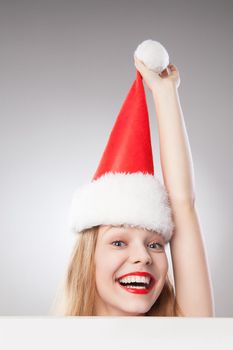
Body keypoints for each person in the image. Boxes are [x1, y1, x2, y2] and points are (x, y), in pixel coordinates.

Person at [52, 57, 215, 317]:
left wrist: (165, 93)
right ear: (86, 261)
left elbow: (183, 204)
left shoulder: (185, 335)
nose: (144, 257)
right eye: (118, 242)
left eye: (155, 245)